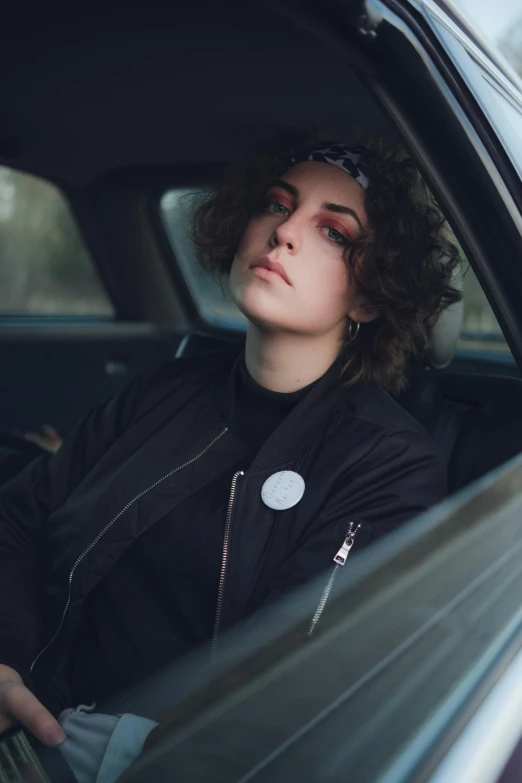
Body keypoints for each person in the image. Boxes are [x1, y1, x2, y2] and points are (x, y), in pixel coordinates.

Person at [0, 131, 460, 778]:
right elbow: (20, 516)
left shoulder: (390, 465)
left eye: (334, 233)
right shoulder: (165, 389)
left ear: (370, 294)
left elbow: (296, 688)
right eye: (277, 205)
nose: (285, 233)